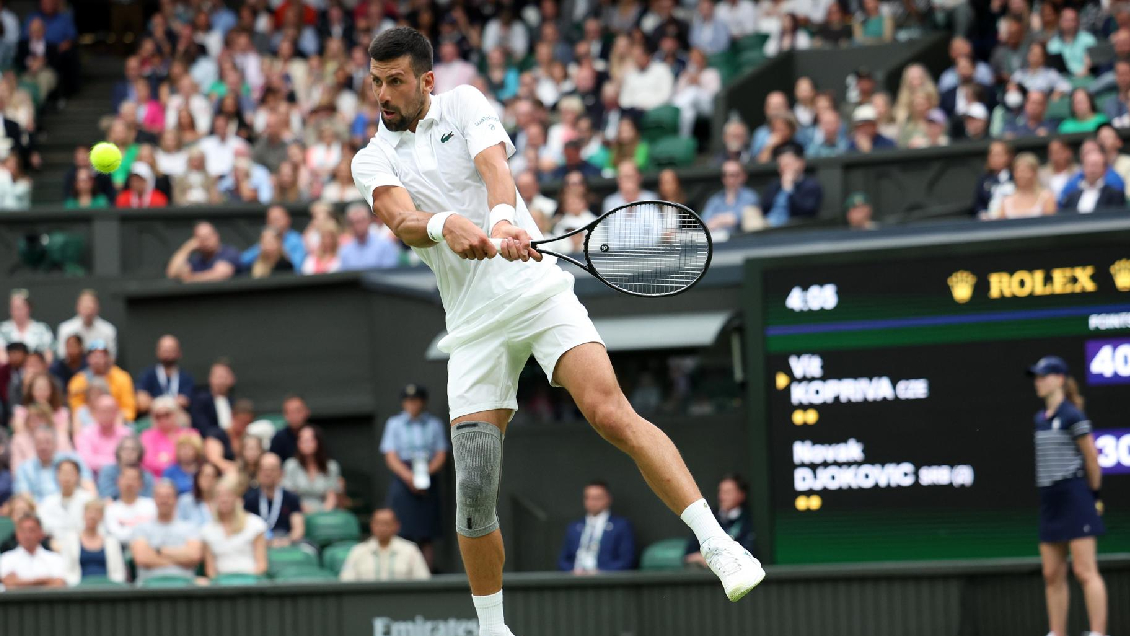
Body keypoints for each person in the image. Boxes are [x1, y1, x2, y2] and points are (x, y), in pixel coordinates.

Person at [353, 28, 763, 635]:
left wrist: (500, 220)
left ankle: (719, 544)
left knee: (610, 413)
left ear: (426, 81)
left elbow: (495, 168)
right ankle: (493, 628)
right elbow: (400, 218)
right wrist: (444, 224)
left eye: (395, 81)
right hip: (472, 328)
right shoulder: (370, 157)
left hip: (537, 293)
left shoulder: (463, 104)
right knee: (475, 483)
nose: (383, 94)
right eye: (376, 81)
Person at [1026, 356, 1107, 636]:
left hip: (1075, 497)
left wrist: (1094, 496)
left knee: (1085, 571)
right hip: (1050, 501)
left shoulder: (1074, 416)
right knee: (1052, 574)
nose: (1038, 382)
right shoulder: (1039, 419)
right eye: (1036, 377)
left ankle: (1097, 633)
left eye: (1043, 376)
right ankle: (1057, 632)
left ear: (1059, 379)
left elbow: (1091, 459)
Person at [379, 384, 447, 568]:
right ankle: (403, 573)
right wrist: (409, 477)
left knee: (427, 532)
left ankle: (426, 574)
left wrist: (425, 475)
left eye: (415, 401)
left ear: (423, 402)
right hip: (404, 476)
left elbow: (441, 454)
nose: (412, 405)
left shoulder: (434, 424)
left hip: (427, 475)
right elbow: (391, 456)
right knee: (402, 530)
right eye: (408, 401)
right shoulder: (394, 424)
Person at [131, 479, 203, 584]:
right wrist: (181, 559)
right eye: (160, 496)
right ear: (154, 499)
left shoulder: (190, 528)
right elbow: (142, 558)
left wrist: (159, 551)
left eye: (168, 496)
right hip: (148, 587)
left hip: (184, 587)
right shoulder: (141, 528)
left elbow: (194, 556)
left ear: (176, 499)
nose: (164, 500)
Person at [557, 480, 637, 573]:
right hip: (576, 578)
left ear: (608, 499)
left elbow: (626, 560)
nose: (593, 502)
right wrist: (573, 571)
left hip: (605, 579)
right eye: (589, 498)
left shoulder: (621, 526)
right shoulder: (574, 527)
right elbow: (562, 561)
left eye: (597, 498)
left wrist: (601, 572)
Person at [201, 473, 268, 579]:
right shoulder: (207, 530)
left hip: (250, 581)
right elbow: (210, 570)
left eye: (228, 495)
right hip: (221, 584)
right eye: (219, 496)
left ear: (237, 498)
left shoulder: (255, 524)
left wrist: (246, 580)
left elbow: (262, 565)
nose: (224, 500)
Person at [339, 508, 431, 581]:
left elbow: (423, 580)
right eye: (378, 523)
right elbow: (346, 581)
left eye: (386, 524)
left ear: (397, 526)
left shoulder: (410, 550)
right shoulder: (358, 551)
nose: (382, 528)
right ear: (372, 525)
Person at [685, 474, 755, 565]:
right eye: (721, 492)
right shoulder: (708, 518)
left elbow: (749, 555)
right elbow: (689, 554)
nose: (722, 497)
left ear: (741, 495)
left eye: (728, 492)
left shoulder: (749, 520)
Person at [56, 499, 126, 585]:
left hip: (107, 588)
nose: (92, 516)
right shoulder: (71, 540)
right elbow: (66, 569)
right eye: (89, 512)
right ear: (83, 514)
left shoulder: (112, 542)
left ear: (102, 517)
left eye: (97, 512)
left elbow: (119, 572)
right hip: (79, 589)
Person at [14, 425, 94, 500]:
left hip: (71, 504)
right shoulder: (25, 468)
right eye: (39, 443)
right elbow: (24, 495)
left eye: (47, 442)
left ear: (55, 444)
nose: (43, 447)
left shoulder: (72, 460)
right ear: (33, 444)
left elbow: (88, 486)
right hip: (37, 508)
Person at [243, 453, 305, 548]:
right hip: (257, 543)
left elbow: (298, 529)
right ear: (258, 472)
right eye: (264, 469)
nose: (267, 474)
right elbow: (244, 528)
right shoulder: (249, 498)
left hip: (286, 543)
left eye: (272, 469)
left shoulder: (291, 497)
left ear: (281, 473)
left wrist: (286, 541)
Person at [67, 339, 136, 422]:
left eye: (101, 356)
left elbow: (129, 411)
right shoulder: (78, 381)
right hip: (89, 422)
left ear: (108, 358)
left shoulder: (122, 378)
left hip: (117, 421)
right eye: (94, 356)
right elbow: (76, 410)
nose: (97, 360)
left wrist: (109, 418)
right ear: (88, 359)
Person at [760, 142, 823, 227]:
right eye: (782, 165)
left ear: (801, 164)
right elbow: (764, 209)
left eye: (789, 164)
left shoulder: (811, 186)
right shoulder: (774, 185)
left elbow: (806, 212)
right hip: (767, 225)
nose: (785, 168)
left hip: (794, 228)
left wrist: (789, 189)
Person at [281, 424, 341, 513]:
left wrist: (323, 513)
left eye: (309, 440)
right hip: (297, 512)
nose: (306, 444)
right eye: (302, 440)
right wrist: (306, 511)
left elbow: (331, 497)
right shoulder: (290, 465)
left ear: (318, 442)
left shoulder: (331, 466)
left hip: (325, 513)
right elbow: (290, 496)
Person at [0, 514, 67, 589]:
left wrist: (18, 582)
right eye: (23, 531)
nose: (27, 535)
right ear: (17, 534)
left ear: (41, 533)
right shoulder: (6, 559)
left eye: (31, 530)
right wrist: (45, 580)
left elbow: (59, 583)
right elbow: (7, 583)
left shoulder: (55, 559)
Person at [140, 397, 200, 478]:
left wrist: (166, 460)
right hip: (156, 480)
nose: (163, 419)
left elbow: (195, 457)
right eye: (158, 416)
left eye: (167, 414)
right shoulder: (147, 436)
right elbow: (147, 462)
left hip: (187, 477)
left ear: (176, 414)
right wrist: (174, 461)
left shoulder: (189, 434)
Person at [165, 221, 241, 283]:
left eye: (208, 237)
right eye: (202, 239)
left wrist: (189, 279)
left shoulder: (229, 253)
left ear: (216, 235)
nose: (207, 242)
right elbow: (172, 274)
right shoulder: (197, 260)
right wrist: (186, 249)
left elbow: (220, 275)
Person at [136, 335, 195, 415]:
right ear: (158, 352)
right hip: (153, 417)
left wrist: (154, 402)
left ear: (179, 353)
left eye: (171, 350)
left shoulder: (186, 377)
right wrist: (172, 402)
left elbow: (184, 401)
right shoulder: (147, 375)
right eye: (165, 350)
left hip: (178, 417)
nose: (168, 353)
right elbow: (142, 403)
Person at [988, 153, 1057, 220]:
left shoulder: (1047, 198)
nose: (1021, 175)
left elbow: (1050, 222)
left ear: (1034, 173)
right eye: (1018, 171)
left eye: (1025, 171)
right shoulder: (1006, 201)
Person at [701, 161, 761, 237]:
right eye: (727, 175)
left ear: (743, 176)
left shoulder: (750, 197)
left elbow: (738, 219)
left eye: (735, 175)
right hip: (716, 240)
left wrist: (719, 220)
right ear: (723, 178)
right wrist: (725, 219)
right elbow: (704, 223)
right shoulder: (715, 199)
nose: (731, 179)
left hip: (743, 240)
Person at [37, 458, 93, 539]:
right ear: (57, 476)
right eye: (63, 473)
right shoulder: (47, 502)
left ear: (78, 476)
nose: (67, 477)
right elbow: (43, 528)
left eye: (70, 473)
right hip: (54, 543)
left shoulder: (89, 500)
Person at [55, 290, 116, 362]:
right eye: (85, 307)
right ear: (78, 307)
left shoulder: (108, 330)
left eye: (90, 307)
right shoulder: (65, 329)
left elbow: (111, 357)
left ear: (97, 307)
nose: (88, 311)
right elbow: (62, 356)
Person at [337, 202, 401, 270]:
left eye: (361, 221)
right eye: (353, 222)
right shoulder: (345, 251)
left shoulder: (385, 245)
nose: (358, 226)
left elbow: (389, 272)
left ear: (369, 220)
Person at [1059, 150, 1127, 213]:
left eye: (1096, 165)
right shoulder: (1071, 196)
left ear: (1104, 169)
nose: (1092, 170)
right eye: (1089, 165)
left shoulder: (1115, 195)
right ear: (1083, 168)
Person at [103, 466, 157, 545]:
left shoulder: (152, 505)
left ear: (141, 484)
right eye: (126, 478)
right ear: (118, 481)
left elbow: (156, 531)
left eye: (134, 479)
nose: (129, 482)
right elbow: (114, 534)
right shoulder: (110, 509)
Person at [1, 290, 54, 361]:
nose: (17, 312)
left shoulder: (42, 329)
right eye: (14, 308)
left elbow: (48, 356)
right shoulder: (2, 329)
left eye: (20, 308)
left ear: (29, 308)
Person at [189, 360, 237, 436]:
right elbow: (203, 428)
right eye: (218, 377)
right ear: (210, 378)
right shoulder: (200, 401)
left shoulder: (234, 402)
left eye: (224, 377)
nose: (221, 381)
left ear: (232, 379)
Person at [972, 141, 1015, 216]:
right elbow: (978, 204)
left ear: (1008, 157)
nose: (994, 158)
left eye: (998, 155)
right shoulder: (984, 179)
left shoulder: (1015, 177)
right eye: (991, 155)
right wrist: (982, 213)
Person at [177, 461, 219, 528]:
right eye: (205, 476)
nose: (208, 480)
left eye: (212, 476)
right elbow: (179, 525)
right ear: (198, 478)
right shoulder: (185, 501)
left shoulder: (220, 503)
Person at [269, 395, 310, 463]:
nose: (295, 415)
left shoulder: (315, 434)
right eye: (291, 412)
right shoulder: (278, 438)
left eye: (298, 411)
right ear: (285, 415)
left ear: (307, 412)